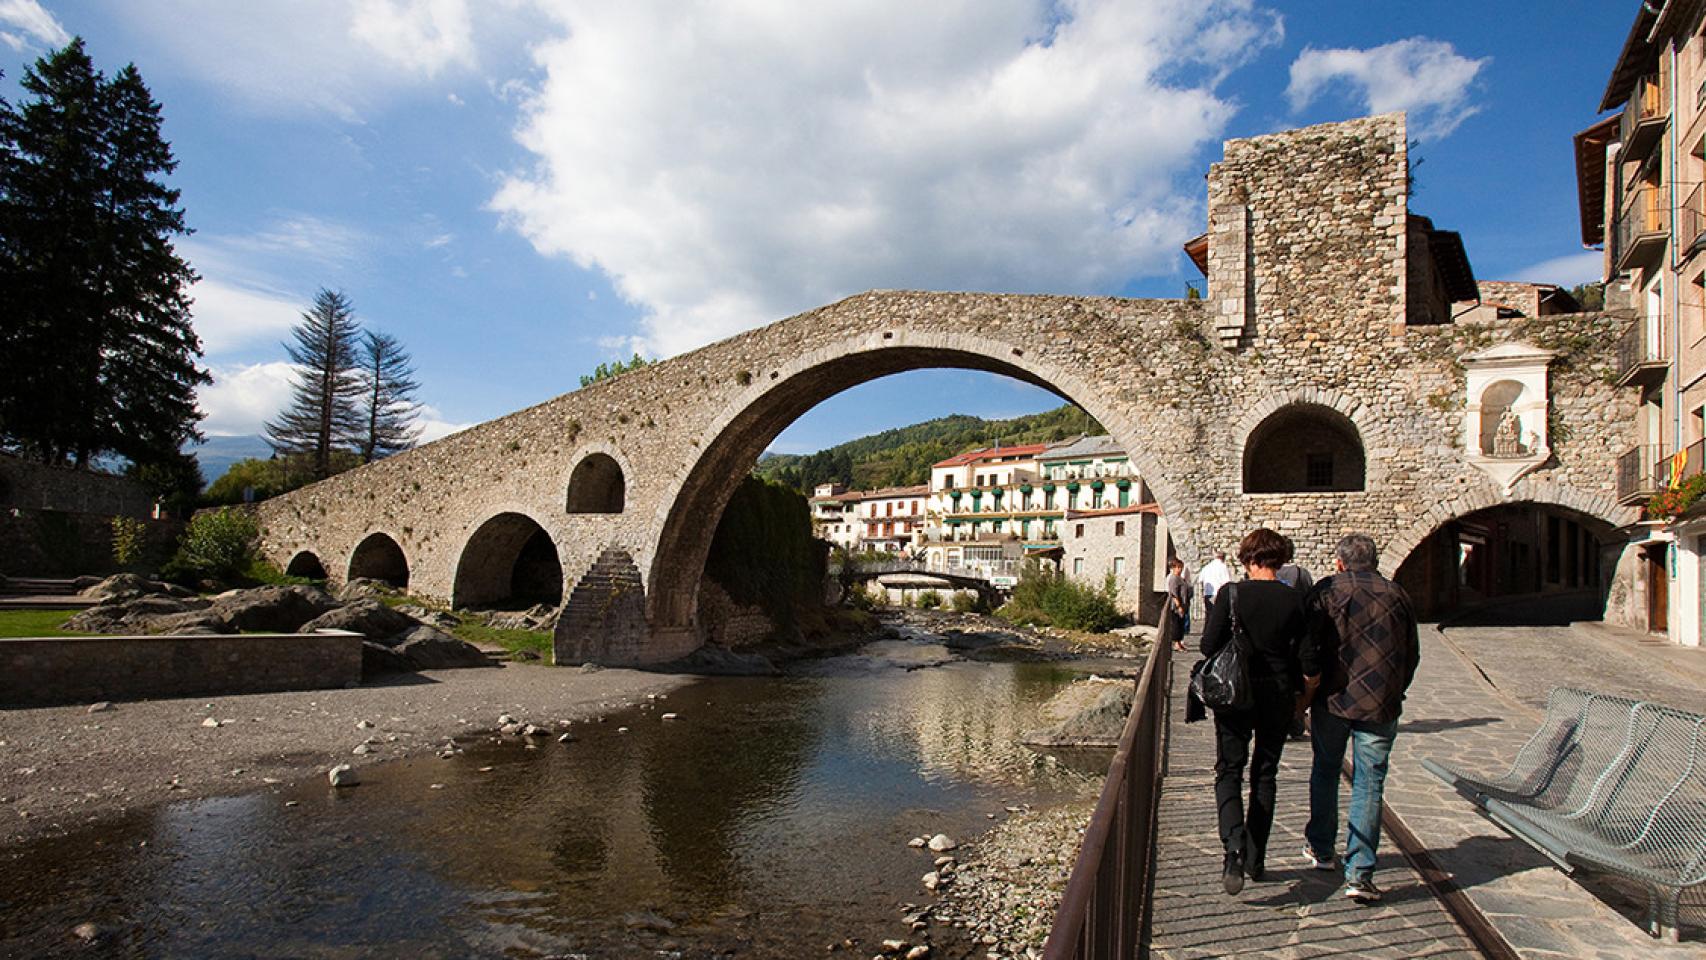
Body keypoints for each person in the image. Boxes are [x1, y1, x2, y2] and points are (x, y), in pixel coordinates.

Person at [1300, 533, 1420, 904]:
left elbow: (1307, 646)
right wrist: (1396, 689)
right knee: (1370, 784)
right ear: (1375, 561)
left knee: (1325, 770)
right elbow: (1411, 653)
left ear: (1340, 561)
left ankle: (1322, 850)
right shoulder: (1397, 595)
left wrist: (1308, 688)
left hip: (1332, 701)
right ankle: (1360, 873)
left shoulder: (1326, 591)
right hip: (1380, 704)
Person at [1200, 528, 1312, 895]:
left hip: (1236, 695)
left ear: (1247, 558)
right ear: (1280, 560)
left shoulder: (1231, 595)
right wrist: (1303, 699)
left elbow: (1207, 645)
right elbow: (1307, 657)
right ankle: (1255, 857)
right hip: (1278, 695)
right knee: (1265, 774)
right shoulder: (1297, 601)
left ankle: (1233, 845)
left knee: (1228, 770)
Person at [1162, 557, 1193, 651]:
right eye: (1178, 567)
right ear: (1174, 567)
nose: (1180, 570)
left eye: (1181, 568)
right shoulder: (1173, 578)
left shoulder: (1179, 578)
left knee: (1180, 624)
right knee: (1177, 624)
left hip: (1183, 604)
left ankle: (1179, 642)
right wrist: (1179, 606)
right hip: (1176, 606)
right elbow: (1173, 593)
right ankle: (1176, 643)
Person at [1198, 550, 1231, 619]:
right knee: (1219, 617)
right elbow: (1227, 582)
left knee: (1209, 617)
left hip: (1208, 594)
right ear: (1223, 558)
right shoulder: (1223, 567)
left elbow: (1200, 580)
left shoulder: (1206, 567)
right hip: (1218, 594)